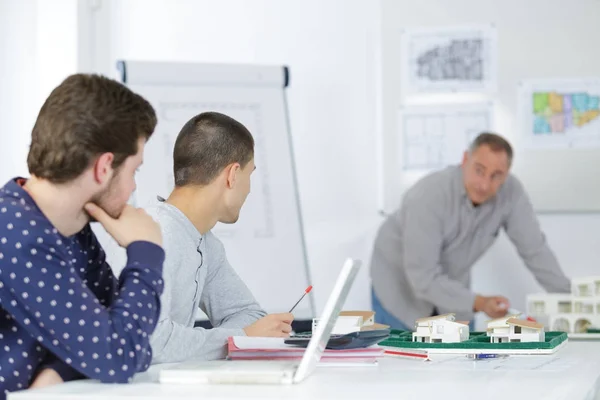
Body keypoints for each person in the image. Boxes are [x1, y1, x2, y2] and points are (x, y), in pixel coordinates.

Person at [0, 74, 165, 398]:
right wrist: (147, 252)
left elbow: (135, 346)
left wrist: (58, 372)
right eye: (134, 171)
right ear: (104, 168)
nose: (134, 188)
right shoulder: (15, 234)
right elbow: (119, 354)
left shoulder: (72, 230)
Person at [370, 132, 570, 330]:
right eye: (479, 170)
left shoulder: (511, 194)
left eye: (496, 176)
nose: (484, 185)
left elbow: (535, 249)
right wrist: (480, 303)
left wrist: (573, 299)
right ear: (465, 159)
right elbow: (423, 277)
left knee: (463, 360)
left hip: (452, 293)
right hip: (401, 292)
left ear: (506, 174)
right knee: (407, 360)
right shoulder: (428, 196)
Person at [146, 111, 293, 364]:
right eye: (250, 174)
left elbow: (249, 314)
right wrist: (240, 338)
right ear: (233, 174)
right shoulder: (157, 236)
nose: (248, 188)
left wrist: (243, 335)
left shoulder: (204, 242)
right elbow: (154, 342)